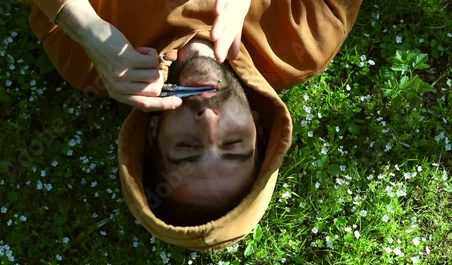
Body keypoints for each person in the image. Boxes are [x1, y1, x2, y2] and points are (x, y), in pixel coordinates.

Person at [22, 0, 361, 251]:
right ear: (257, 125)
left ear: (154, 134)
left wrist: (86, 28)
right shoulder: (301, 44)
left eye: (187, 147)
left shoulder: (90, 65)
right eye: (233, 144)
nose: (208, 122)